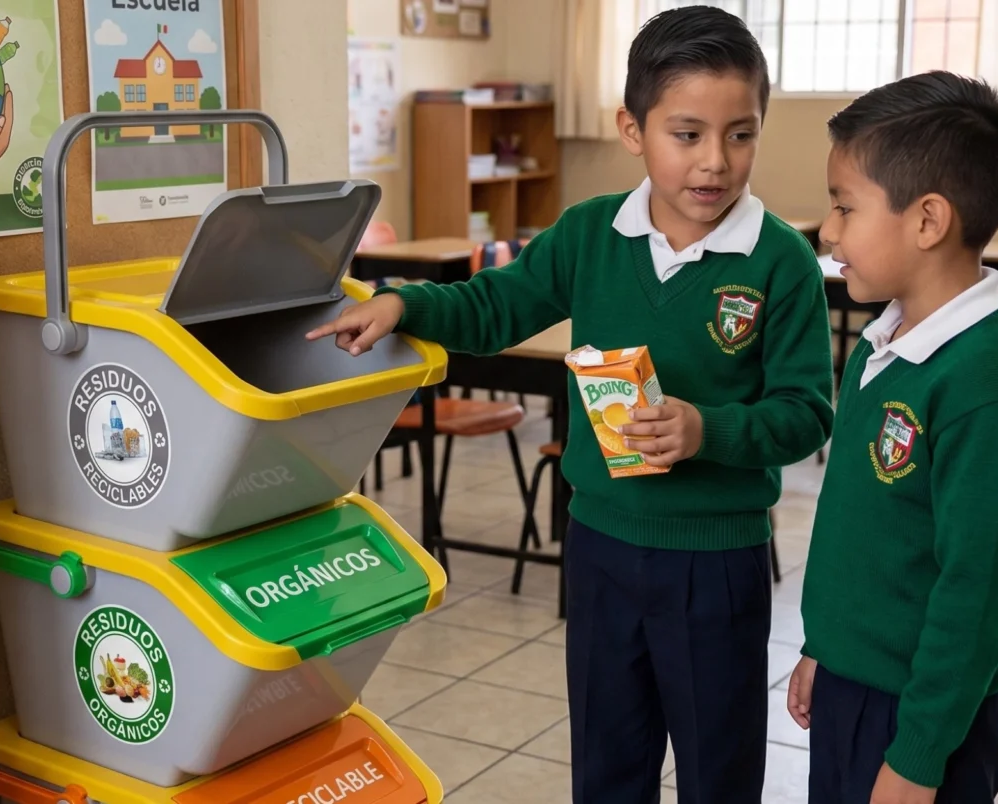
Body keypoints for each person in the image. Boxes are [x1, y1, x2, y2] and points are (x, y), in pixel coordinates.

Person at [309, 7, 833, 802]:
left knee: (718, 769)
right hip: (600, 548)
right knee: (607, 762)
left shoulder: (781, 261)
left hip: (715, 560)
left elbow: (806, 413)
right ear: (633, 129)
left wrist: (706, 429)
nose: (714, 163)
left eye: (740, 135)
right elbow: (497, 304)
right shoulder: (591, 235)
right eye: (687, 134)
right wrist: (405, 307)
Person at [786, 72, 998, 804]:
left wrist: (918, 758)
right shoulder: (888, 346)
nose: (828, 229)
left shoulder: (987, 391)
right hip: (854, 686)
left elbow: (977, 598)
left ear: (928, 221)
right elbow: (865, 536)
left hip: (923, 720)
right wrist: (824, 647)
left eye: (845, 206)